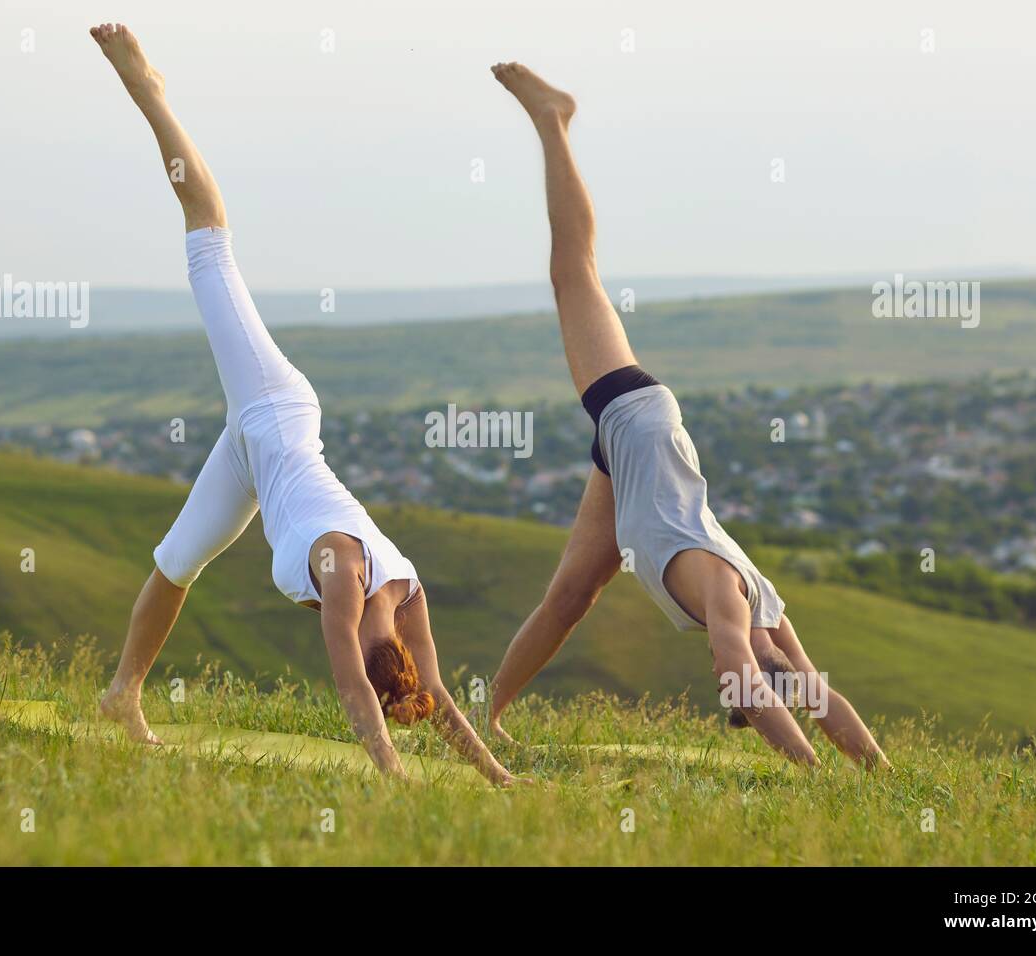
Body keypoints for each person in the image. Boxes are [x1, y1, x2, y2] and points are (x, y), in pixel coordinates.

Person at [89, 23, 520, 787]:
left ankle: (121, 694)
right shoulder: (344, 574)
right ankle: (149, 93)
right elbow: (352, 687)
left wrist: (499, 778)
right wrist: (391, 776)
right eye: (359, 639)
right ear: (367, 634)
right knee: (210, 243)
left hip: (255, 456)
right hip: (277, 411)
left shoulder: (406, 600)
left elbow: (442, 698)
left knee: (176, 563)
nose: (353, 638)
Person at [485, 62, 890, 770]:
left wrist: (878, 776)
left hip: (637, 465)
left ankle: (487, 715)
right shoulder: (736, 610)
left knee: (571, 596)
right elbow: (745, 676)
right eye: (741, 684)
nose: (724, 680)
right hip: (639, 424)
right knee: (573, 270)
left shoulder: (771, 619)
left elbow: (820, 697)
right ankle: (552, 118)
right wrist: (812, 776)